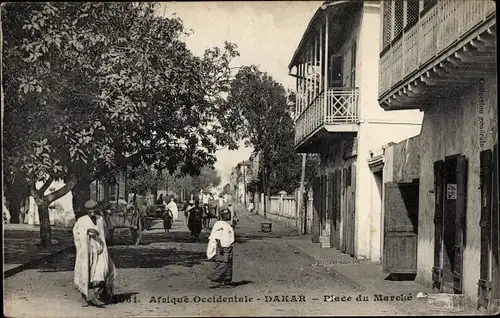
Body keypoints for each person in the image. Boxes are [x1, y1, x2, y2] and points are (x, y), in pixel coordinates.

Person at [73, 200, 116, 307]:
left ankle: (95, 295)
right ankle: (84, 297)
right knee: (85, 273)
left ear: (96, 209)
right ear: (87, 210)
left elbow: (105, 234)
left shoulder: (100, 219)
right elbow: (76, 234)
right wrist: (87, 232)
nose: (92, 211)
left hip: (101, 251)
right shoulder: (81, 220)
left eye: (94, 209)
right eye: (90, 209)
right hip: (87, 252)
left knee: (102, 272)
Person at [206, 209, 235, 287]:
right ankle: (213, 277)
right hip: (222, 247)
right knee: (223, 263)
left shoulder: (227, 224)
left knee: (228, 264)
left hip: (229, 246)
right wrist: (220, 247)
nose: (228, 215)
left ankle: (226, 281)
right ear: (222, 215)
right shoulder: (219, 224)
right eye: (226, 214)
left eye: (229, 214)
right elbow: (216, 237)